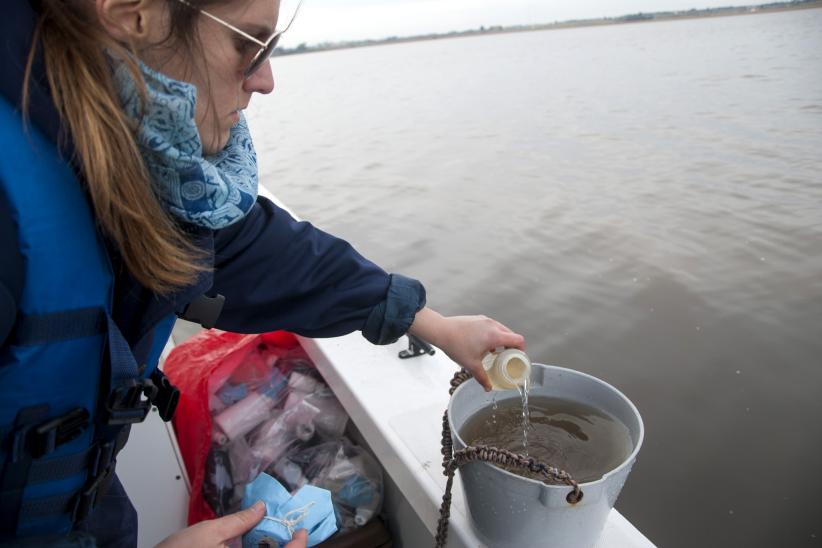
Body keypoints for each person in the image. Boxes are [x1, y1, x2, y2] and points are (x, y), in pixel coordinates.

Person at [0, 0, 526, 546]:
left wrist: (431, 322)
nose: (266, 80)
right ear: (132, 13)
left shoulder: (130, 161)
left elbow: (266, 254)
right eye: (247, 45)